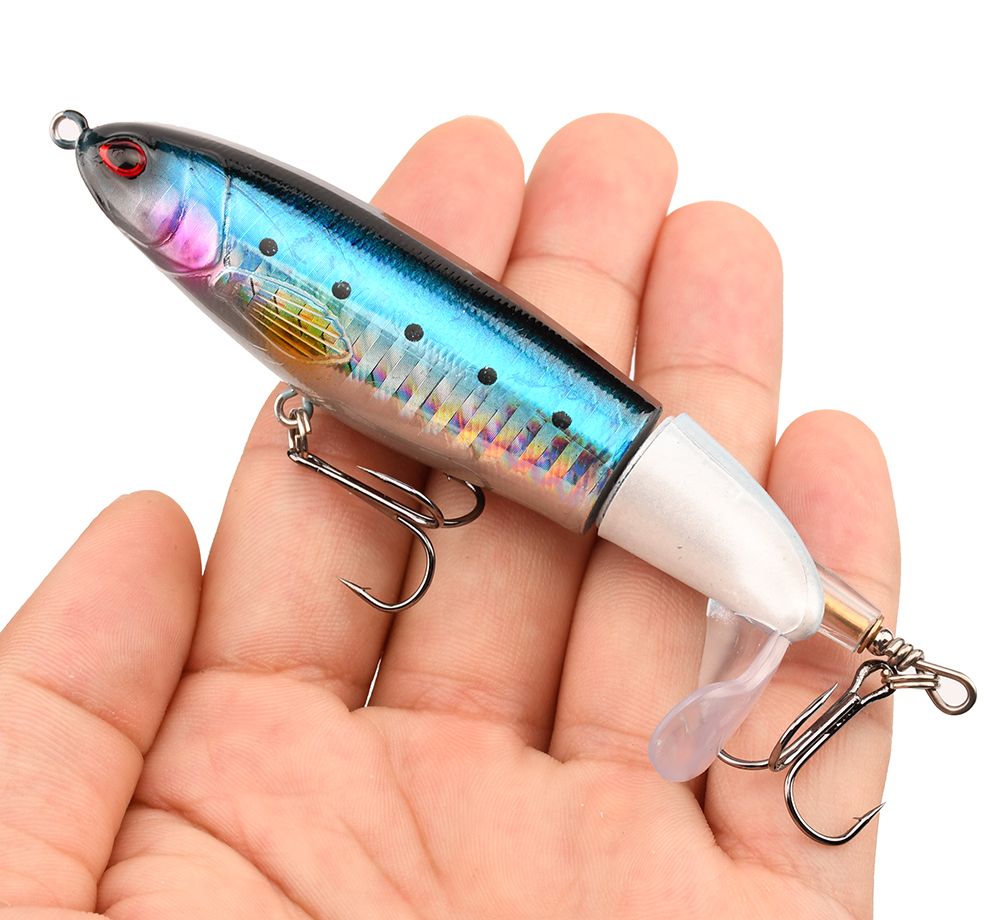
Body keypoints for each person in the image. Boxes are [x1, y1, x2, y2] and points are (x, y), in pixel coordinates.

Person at [0, 115, 897, 917]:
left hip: (627, 465)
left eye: (131, 167)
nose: (123, 174)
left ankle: (796, 604)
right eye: (127, 169)